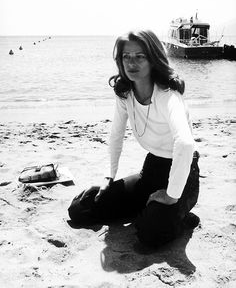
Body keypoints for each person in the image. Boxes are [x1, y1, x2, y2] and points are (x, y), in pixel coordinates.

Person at [68, 30, 200, 247]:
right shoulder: (125, 93)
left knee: (148, 234)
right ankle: (151, 210)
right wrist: (108, 177)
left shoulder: (169, 96)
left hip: (183, 174)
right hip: (151, 170)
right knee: (81, 208)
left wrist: (171, 194)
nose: (132, 63)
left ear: (153, 58)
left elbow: (185, 144)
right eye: (126, 57)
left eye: (140, 56)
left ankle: (181, 214)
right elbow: (116, 134)